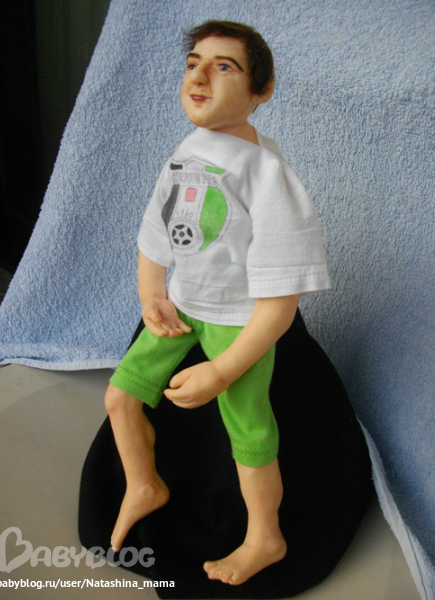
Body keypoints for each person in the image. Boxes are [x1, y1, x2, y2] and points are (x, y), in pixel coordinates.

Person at [104, 20, 331, 586]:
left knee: (250, 436)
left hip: (237, 321)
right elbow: (154, 235)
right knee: (120, 397)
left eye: (223, 67)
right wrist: (152, 295)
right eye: (193, 64)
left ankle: (265, 537)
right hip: (182, 308)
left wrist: (223, 370)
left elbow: (279, 306)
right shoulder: (187, 151)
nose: (200, 77)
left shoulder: (267, 175)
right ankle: (143, 484)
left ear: (262, 90)